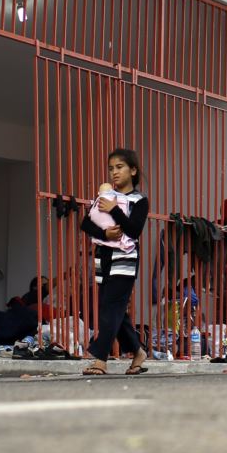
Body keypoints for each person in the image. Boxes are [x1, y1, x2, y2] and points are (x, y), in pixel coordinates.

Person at [79, 148, 150, 375]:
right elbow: (86, 223)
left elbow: (134, 230)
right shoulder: (105, 196)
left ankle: (100, 358)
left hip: (125, 259)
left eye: (119, 167)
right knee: (114, 309)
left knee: (111, 308)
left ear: (133, 170)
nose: (114, 173)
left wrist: (115, 211)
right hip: (104, 257)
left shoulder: (139, 200)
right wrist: (104, 235)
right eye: (111, 168)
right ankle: (138, 351)